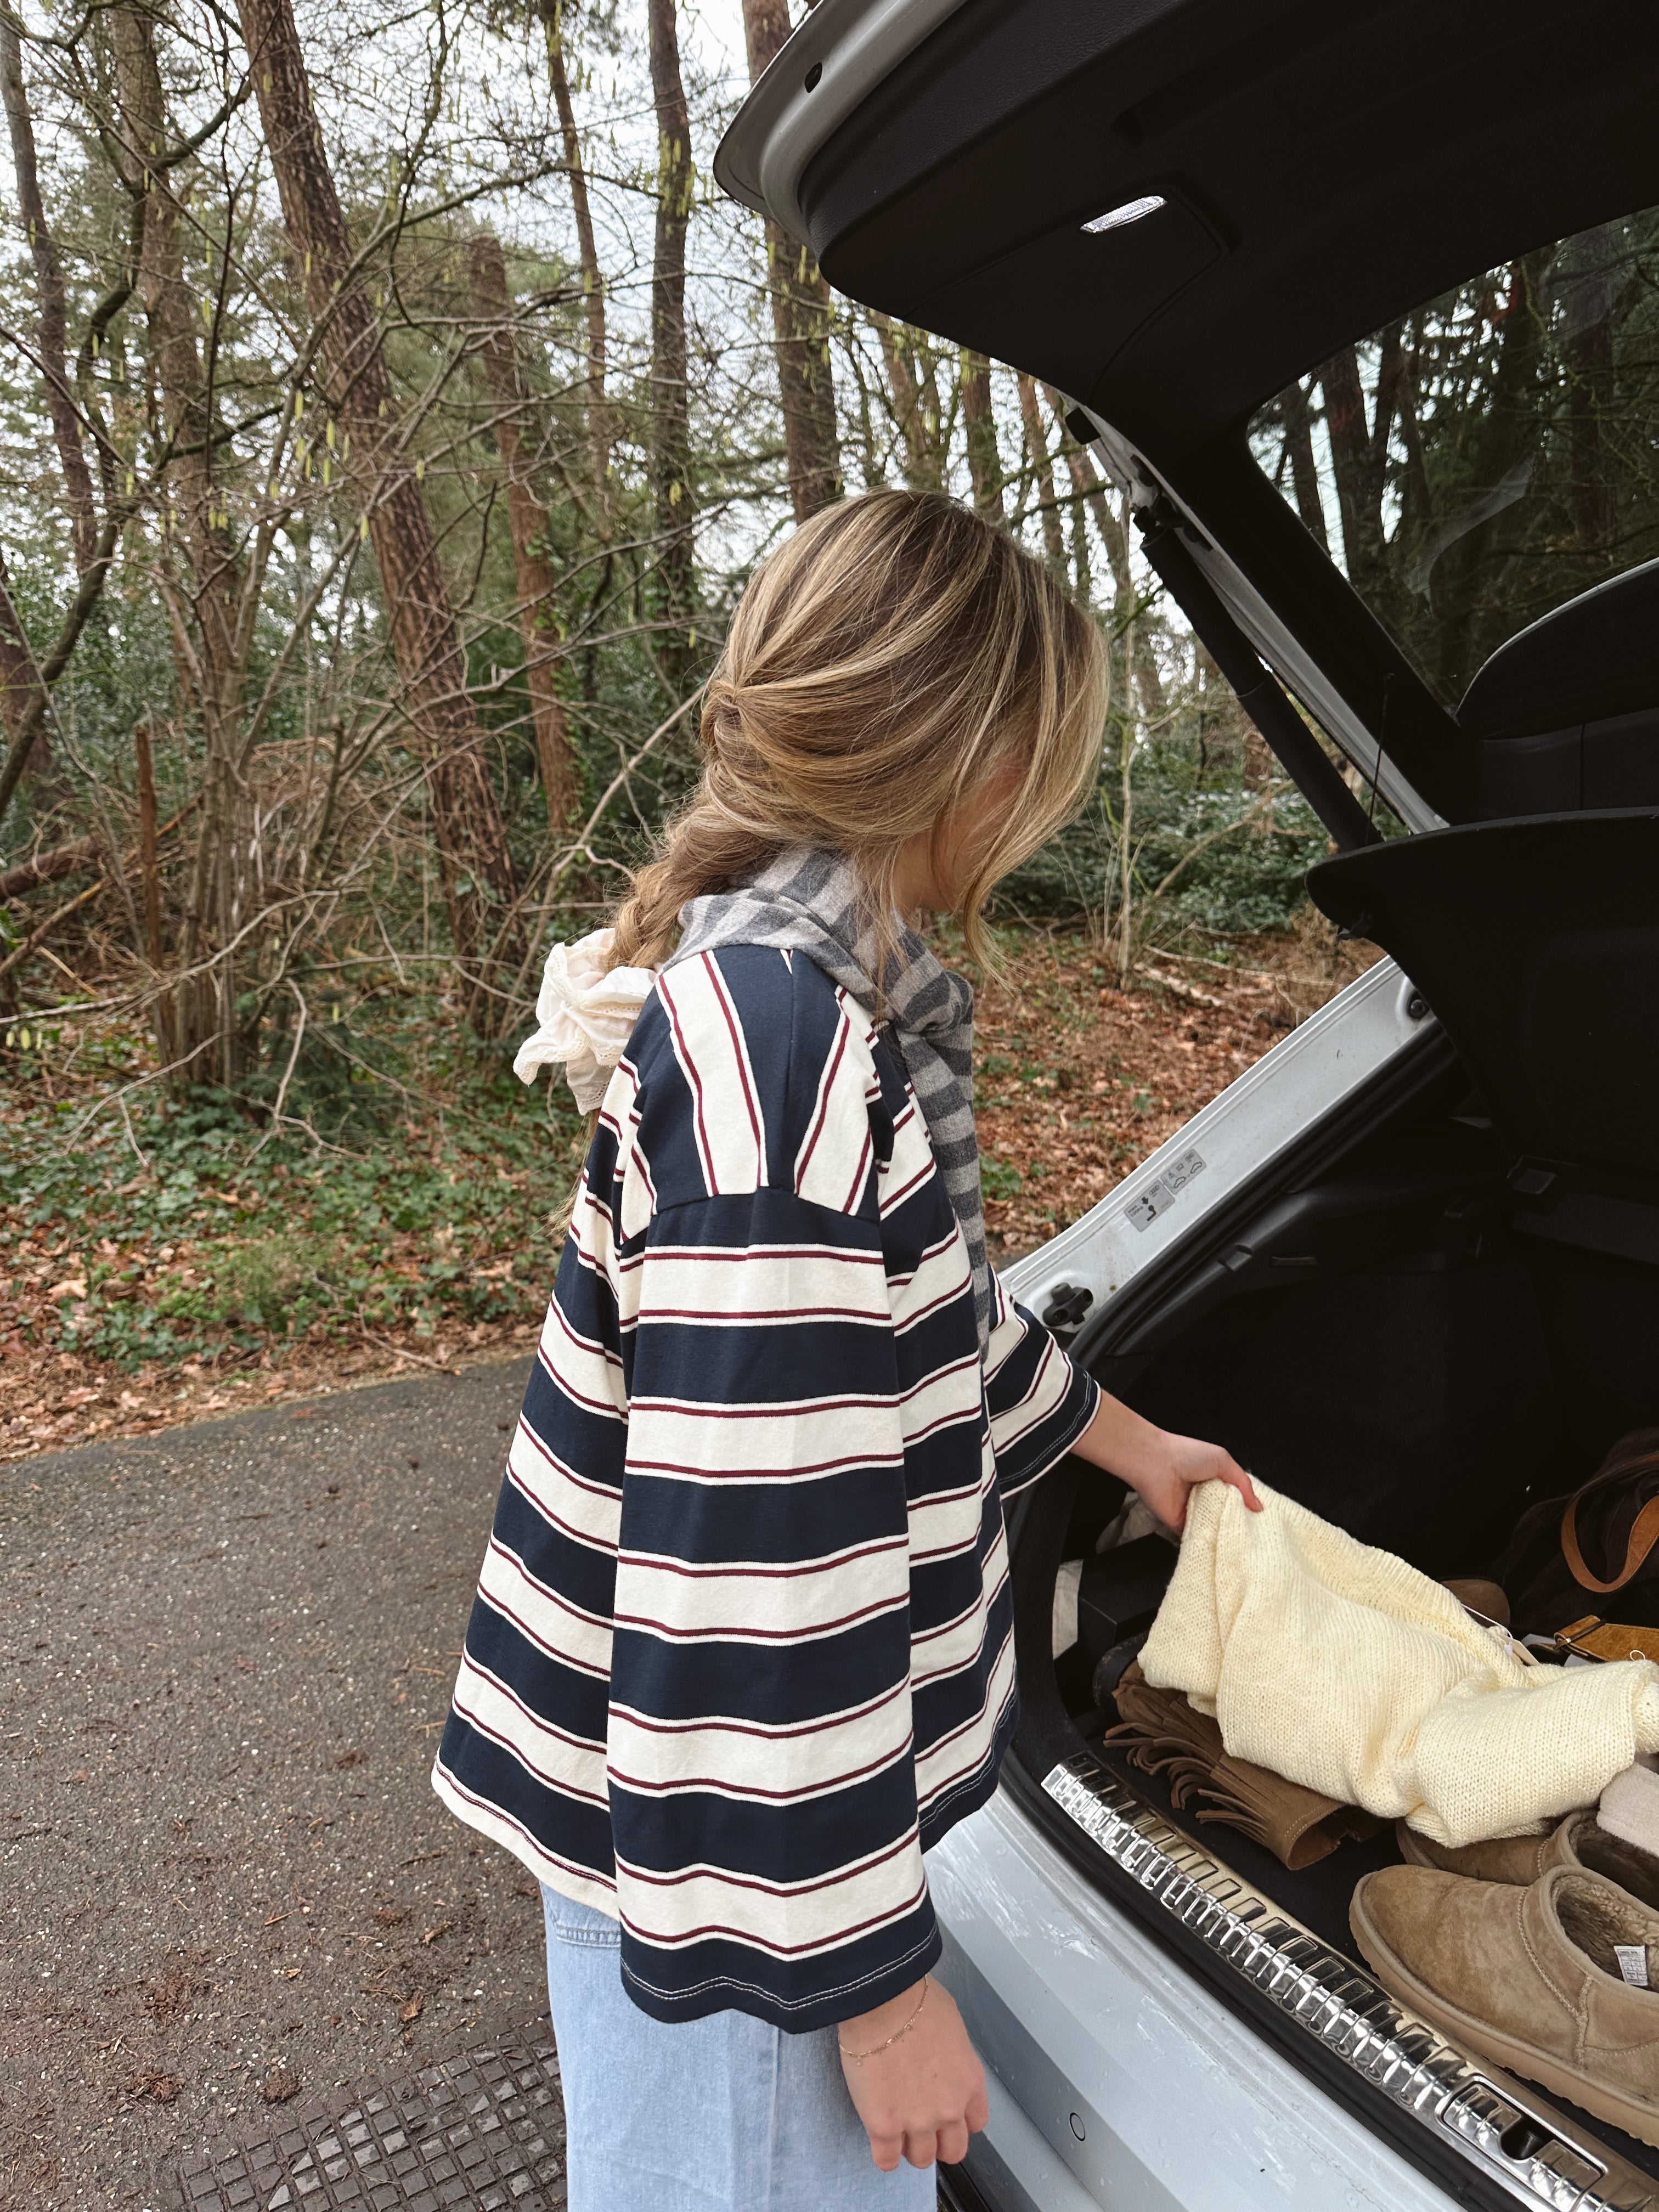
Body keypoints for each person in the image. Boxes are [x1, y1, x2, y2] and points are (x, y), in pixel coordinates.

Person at [432, 488, 1258, 2210]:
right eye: (1051, 762)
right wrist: (878, 2002)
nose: (1051, 807)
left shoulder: (810, 982)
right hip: (742, 1887)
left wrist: (1135, 1448)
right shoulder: (794, 1062)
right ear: (973, 762)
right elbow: (757, 1592)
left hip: (751, 1854)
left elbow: (925, 1323)